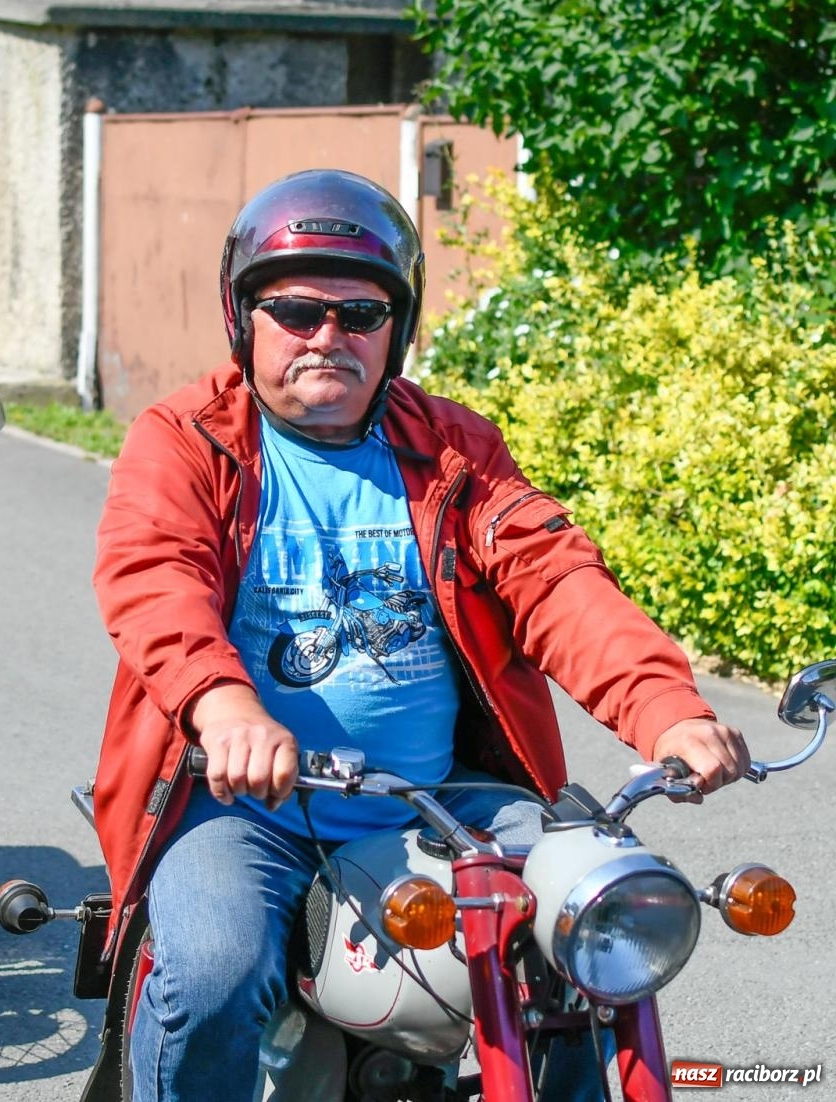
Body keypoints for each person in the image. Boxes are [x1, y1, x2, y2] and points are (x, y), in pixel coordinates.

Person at [90, 169, 753, 1101]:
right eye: (295, 310)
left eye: (360, 314)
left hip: (444, 800)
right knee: (212, 974)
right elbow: (155, 575)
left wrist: (664, 709)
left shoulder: (452, 446)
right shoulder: (186, 438)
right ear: (244, 320)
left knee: (596, 918)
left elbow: (554, 577)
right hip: (246, 810)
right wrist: (223, 705)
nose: (328, 336)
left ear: (396, 329)